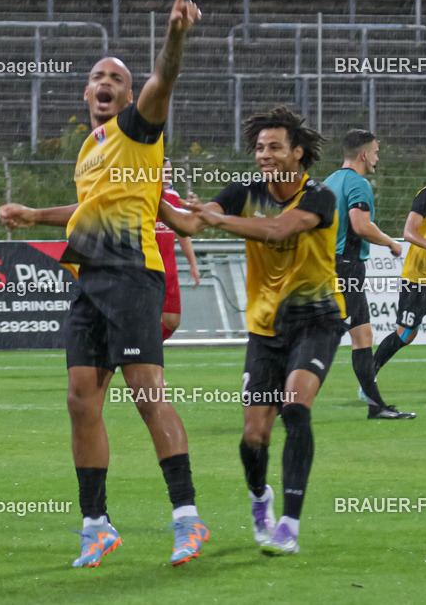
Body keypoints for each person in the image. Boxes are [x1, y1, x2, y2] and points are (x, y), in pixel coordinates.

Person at [0, 0, 209, 567]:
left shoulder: (139, 129)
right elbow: (86, 209)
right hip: (88, 281)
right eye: (98, 76)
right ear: (86, 92)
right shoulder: (88, 150)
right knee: (79, 401)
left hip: (133, 274)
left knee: (146, 396)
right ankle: (96, 524)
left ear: (127, 91)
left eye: (117, 76)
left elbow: (163, 78)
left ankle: (187, 517)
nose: (107, 83)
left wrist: (176, 35)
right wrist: (33, 216)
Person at [162, 106, 344, 556]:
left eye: (275, 147)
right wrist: (149, 199)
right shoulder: (242, 190)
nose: (264, 154)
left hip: (317, 320)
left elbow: (278, 229)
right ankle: (260, 497)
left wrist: (218, 219)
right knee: (254, 437)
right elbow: (189, 222)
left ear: (297, 153)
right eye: (260, 147)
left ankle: (290, 524)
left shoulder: (318, 195)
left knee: (296, 407)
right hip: (265, 329)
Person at [323, 130, 413, 419]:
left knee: (363, 336)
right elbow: (360, 226)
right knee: (324, 338)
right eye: (375, 151)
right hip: (346, 266)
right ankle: (280, 398)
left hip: (332, 264)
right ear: (363, 155)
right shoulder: (357, 183)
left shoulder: (329, 182)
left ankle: (376, 406)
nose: (377, 157)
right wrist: (390, 242)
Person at [372, 185, 426, 381]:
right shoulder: (425, 195)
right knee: (406, 334)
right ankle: (369, 375)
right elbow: (409, 233)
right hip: (418, 278)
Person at [157, 157, 201, 340]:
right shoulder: (140, 197)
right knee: (145, 318)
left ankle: (140, 348)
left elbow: (183, 232)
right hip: (146, 267)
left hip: (169, 268)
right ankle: (140, 355)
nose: (169, 176)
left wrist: (193, 264)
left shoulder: (173, 197)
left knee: (172, 321)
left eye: (170, 172)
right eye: (165, 172)